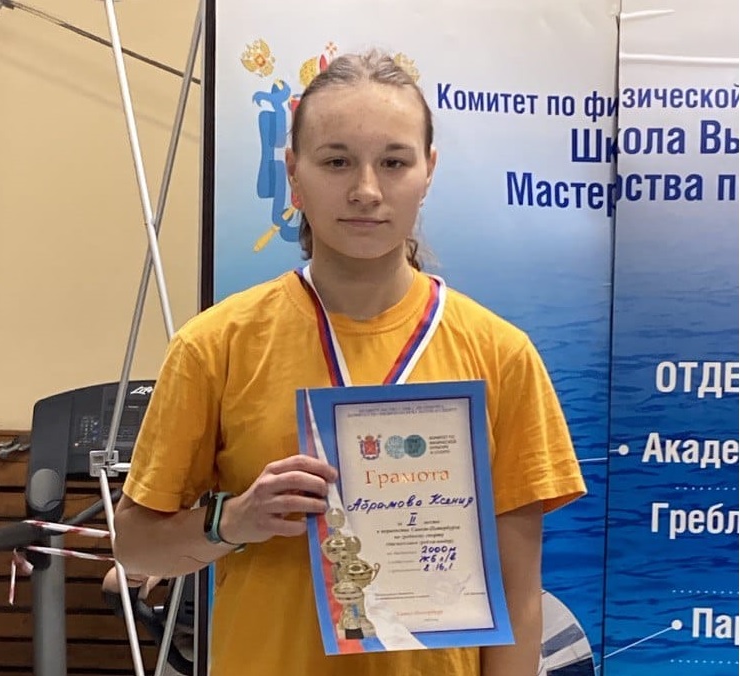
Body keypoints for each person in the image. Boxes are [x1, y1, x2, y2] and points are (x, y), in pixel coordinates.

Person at [113, 50, 586, 676]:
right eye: (337, 161)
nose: (366, 190)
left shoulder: (501, 355)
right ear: (294, 173)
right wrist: (235, 520)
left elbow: (519, 598)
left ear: (428, 171)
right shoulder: (215, 346)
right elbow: (134, 547)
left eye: (394, 162)